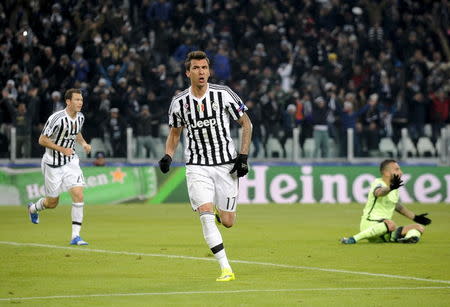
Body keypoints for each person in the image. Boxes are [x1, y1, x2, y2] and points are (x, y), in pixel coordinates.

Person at [158, 51, 252, 282]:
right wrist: (168, 156)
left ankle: (222, 213)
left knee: (228, 222)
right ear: (187, 72)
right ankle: (225, 268)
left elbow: (246, 123)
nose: (201, 72)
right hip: (197, 165)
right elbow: (175, 133)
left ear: (209, 71)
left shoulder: (224, 94)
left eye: (204, 67)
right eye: (196, 68)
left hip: (226, 165)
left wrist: (243, 156)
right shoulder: (179, 102)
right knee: (206, 214)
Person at [27, 88, 92, 246]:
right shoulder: (56, 118)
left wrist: (83, 143)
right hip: (52, 164)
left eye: (81, 100)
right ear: (68, 102)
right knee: (52, 203)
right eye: (77, 100)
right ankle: (33, 208)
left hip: (71, 162)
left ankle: (75, 236)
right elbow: (42, 140)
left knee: (78, 194)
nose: (80, 103)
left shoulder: (80, 117)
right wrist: (62, 149)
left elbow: (76, 132)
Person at [341, 159, 431, 244]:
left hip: (385, 230)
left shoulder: (394, 189)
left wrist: (415, 218)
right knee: (391, 224)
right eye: (397, 169)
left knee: (419, 228)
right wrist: (390, 188)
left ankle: (407, 239)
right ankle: (353, 239)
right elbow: (379, 192)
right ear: (386, 172)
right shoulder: (378, 183)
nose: (401, 172)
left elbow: (396, 206)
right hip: (370, 224)